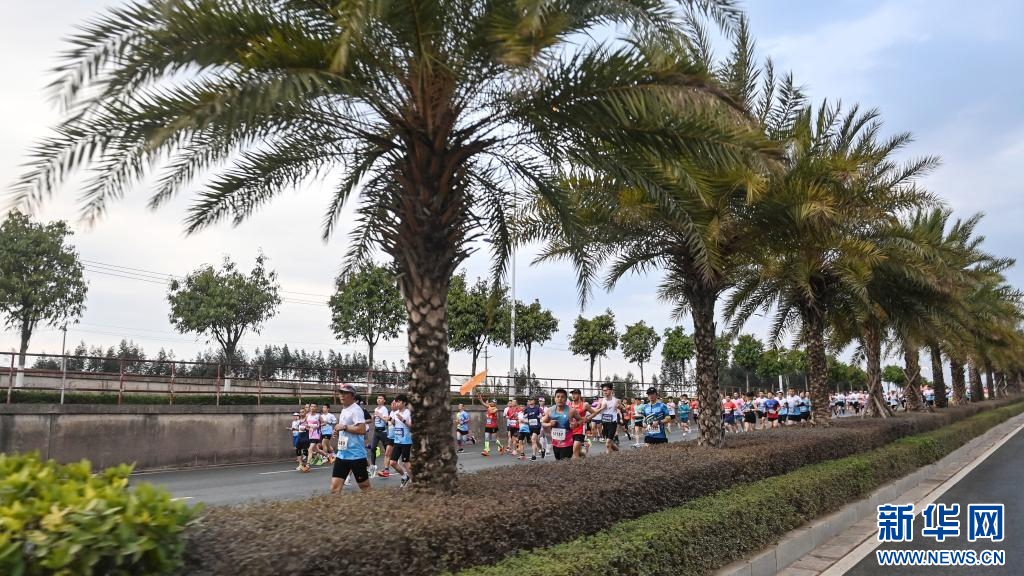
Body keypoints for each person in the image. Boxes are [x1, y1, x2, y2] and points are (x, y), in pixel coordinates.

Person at [328, 384, 371, 492]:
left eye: (345, 393)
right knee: (334, 488)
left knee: (365, 487)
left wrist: (344, 427)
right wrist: (337, 432)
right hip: (342, 454)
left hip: (356, 455)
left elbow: (362, 429)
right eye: (340, 393)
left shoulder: (356, 410)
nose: (342, 395)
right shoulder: (344, 410)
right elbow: (346, 428)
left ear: (352, 395)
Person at [541, 388, 581, 460]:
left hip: (567, 443)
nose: (560, 399)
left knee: (564, 463)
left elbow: (581, 420)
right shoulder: (550, 410)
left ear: (566, 399)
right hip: (555, 443)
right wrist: (549, 424)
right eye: (558, 397)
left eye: (562, 397)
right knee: (558, 462)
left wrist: (576, 424)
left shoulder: (571, 411)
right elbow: (542, 422)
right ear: (555, 398)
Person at [388, 394, 413, 488]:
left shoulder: (408, 413)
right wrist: (392, 421)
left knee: (406, 463)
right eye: (396, 402)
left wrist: (403, 420)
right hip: (397, 441)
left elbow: (412, 426)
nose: (396, 403)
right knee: (392, 462)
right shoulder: (395, 413)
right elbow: (396, 425)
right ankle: (404, 476)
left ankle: (414, 482)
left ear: (404, 403)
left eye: (398, 402)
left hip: (406, 441)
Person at [589, 383, 621, 452]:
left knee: (607, 444)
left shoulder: (617, 400)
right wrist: (602, 408)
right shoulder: (601, 400)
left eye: (606, 390)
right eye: (603, 390)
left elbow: (624, 410)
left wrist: (619, 407)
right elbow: (595, 411)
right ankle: (618, 452)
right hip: (604, 424)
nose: (605, 392)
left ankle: (609, 458)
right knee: (610, 443)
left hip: (612, 424)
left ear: (611, 390)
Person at [569, 389, 598, 459]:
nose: (573, 396)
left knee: (574, 452)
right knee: (577, 452)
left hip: (580, 430)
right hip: (570, 430)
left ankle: (577, 465)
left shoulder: (585, 405)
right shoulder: (569, 404)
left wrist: (588, 418)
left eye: (575, 394)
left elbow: (594, 413)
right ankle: (584, 451)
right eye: (572, 394)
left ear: (579, 395)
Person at [369, 395, 389, 476]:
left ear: (384, 401)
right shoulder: (376, 409)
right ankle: (373, 467)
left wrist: (380, 415)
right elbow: (375, 420)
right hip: (376, 431)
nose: (378, 399)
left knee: (386, 451)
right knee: (372, 448)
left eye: (381, 398)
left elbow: (386, 420)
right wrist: (374, 417)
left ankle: (387, 468)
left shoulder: (384, 409)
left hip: (383, 432)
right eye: (378, 398)